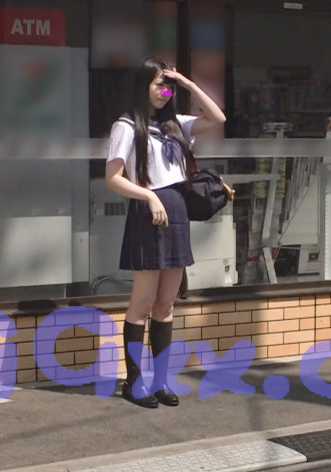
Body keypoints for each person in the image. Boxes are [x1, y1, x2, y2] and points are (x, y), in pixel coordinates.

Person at [105, 57, 226, 408]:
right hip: (148, 213)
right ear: (142, 85)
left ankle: (160, 380)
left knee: (165, 303)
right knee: (142, 303)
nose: (164, 91)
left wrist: (186, 83)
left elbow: (218, 118)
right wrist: (147, 196)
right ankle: (134, 382)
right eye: (159, 84)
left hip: (176, 212)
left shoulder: (176, 124)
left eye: (168, 86)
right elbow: (113, 178)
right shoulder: (127, 126)